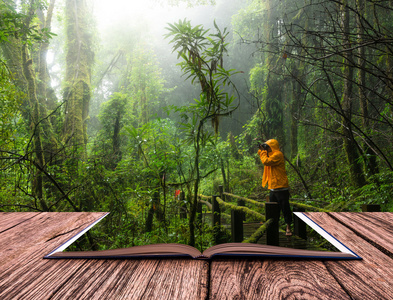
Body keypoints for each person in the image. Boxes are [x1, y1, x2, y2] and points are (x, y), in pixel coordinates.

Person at [258, 139, 292, 236]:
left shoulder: (278, 154)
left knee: (285, 209)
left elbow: (266, 161)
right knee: (273, 210)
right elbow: (262, 155)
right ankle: (273, 227)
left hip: (281, 187)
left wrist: (263, 151)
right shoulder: (271, 154)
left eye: (268, 146)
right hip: (273, 187)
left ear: (272, 147)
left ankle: (288, 227)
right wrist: (262, 150)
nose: (267, 148)